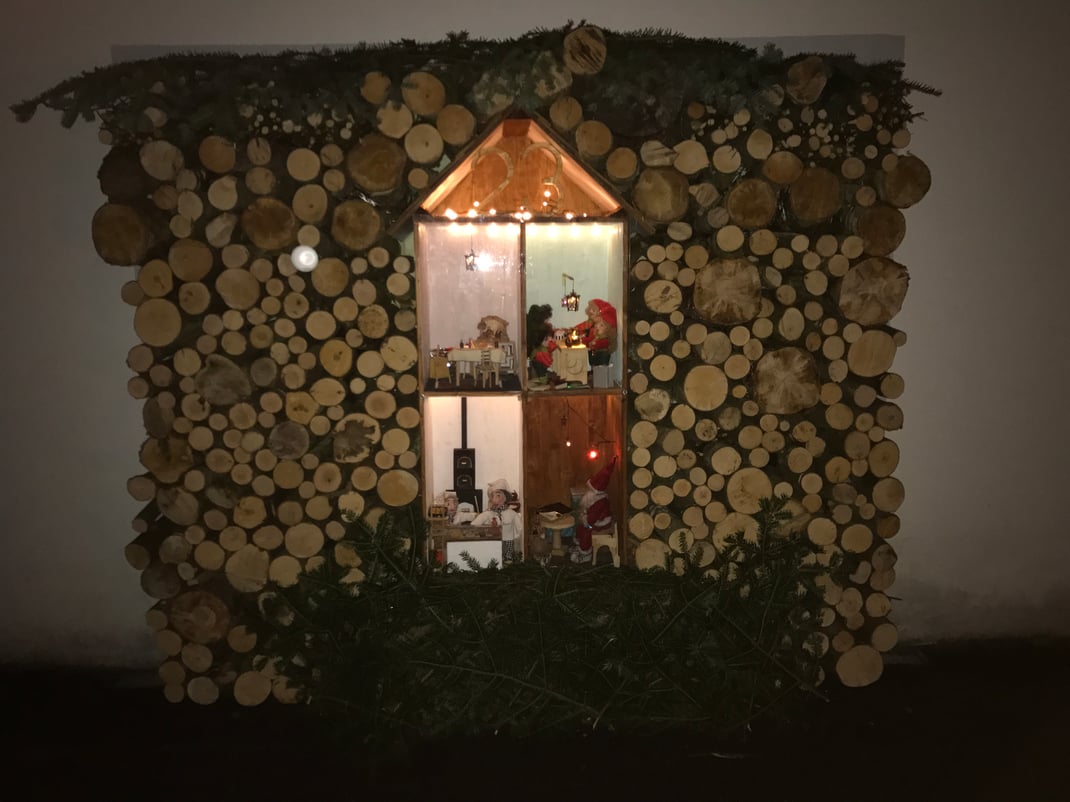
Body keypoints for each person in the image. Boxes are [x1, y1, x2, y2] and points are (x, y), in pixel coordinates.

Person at [572, 457, 616, 563]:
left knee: (586, 531)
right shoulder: (594, 499)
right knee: (580, 528)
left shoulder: (600, 502)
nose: (588, 492)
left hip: (600, 524)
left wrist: (584, 518)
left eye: (591, 490)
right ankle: (579, 547)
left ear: (595, 491)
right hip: (593, 521)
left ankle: (585, 553)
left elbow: (591, 519)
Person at [471, 478, 522, 563]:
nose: (495, 499)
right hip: (491, 545)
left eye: (498, 495)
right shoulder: (487, 514)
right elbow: (473, 526)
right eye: (492, 496)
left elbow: (519, 529)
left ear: (505, 498)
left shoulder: (512, 514)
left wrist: (512, 538)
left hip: (508, 544)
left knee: (508, 562)